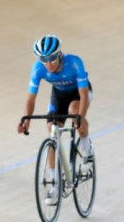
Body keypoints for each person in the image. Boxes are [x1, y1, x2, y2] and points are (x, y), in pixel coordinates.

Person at [17, 34, 93, 205]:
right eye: (44, 59)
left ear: (59, 54)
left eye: (51, 58)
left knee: (75, 113)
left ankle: (86, 150)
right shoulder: (38, 68)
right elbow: (31, 98)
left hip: (79, 93)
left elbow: (83, 94)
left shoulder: (74, 63)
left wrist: (80, 118)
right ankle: (54, 184)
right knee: (52, 132)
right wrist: (26, 119)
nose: (48, 63)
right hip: (59, 96)